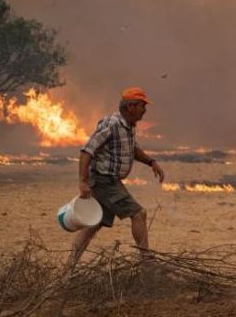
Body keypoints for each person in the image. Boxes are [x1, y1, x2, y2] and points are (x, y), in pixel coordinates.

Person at [68, 86, 165, 267]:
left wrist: (151, 162)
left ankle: (69, 267)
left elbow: (133, 149)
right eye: (142, 106)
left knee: (93, 224)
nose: (145, 110)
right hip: (104, 181)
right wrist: (82, 182)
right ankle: (147, 263)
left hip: (110, 181)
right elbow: (87, 151)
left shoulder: (129, 127)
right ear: (130, 107)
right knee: (138, 214)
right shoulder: (111, 125)